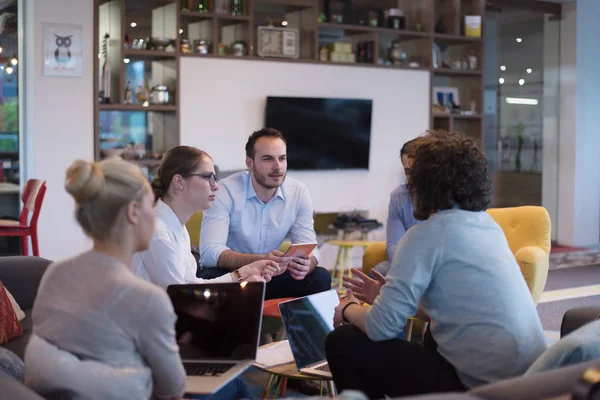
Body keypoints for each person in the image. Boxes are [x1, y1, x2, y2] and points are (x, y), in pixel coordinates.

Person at [325, 131, 547, 399]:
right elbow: (456, 311)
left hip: (485, 388)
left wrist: (347, 308)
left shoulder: (423, 236)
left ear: (424, 183)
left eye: (412, 177)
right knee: (433, 336)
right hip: (532, 380)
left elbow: (380, 328)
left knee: (342, 341)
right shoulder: (487, 226)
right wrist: (386, 297)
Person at [24, 159, 186, 399]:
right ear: (133, 212)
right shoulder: (147, 299)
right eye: (150, 205)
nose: (154, 215)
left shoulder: (55, 273)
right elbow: (173, 388)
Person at [199, 128, 332, 300]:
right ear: (250, 163)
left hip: (273, 275)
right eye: (268, 159)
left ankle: (299, 327)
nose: (277, 167)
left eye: (282, 158)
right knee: (208, 275)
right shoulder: (225, 191)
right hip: (235, 275)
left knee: (320, 277)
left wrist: (307, 263)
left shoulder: (298, 192)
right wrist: (260, 260)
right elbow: (210, 253)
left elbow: (309, 246)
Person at [130, 145, 280, 290]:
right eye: (208, 177)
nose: (216, 186)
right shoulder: (158, 233)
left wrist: (244, 273)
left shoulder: (177, 228)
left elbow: (192, 284)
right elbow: (181, 298)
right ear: (178, 182)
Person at [370, 138, 422, 277]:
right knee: (379, 271)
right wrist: (407, 267)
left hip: (438, 265)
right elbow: (393, 245)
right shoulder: (399, 196)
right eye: (407, 171)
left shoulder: (446, 195)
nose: (411, 176)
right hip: (408, 263)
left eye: (415, 170)